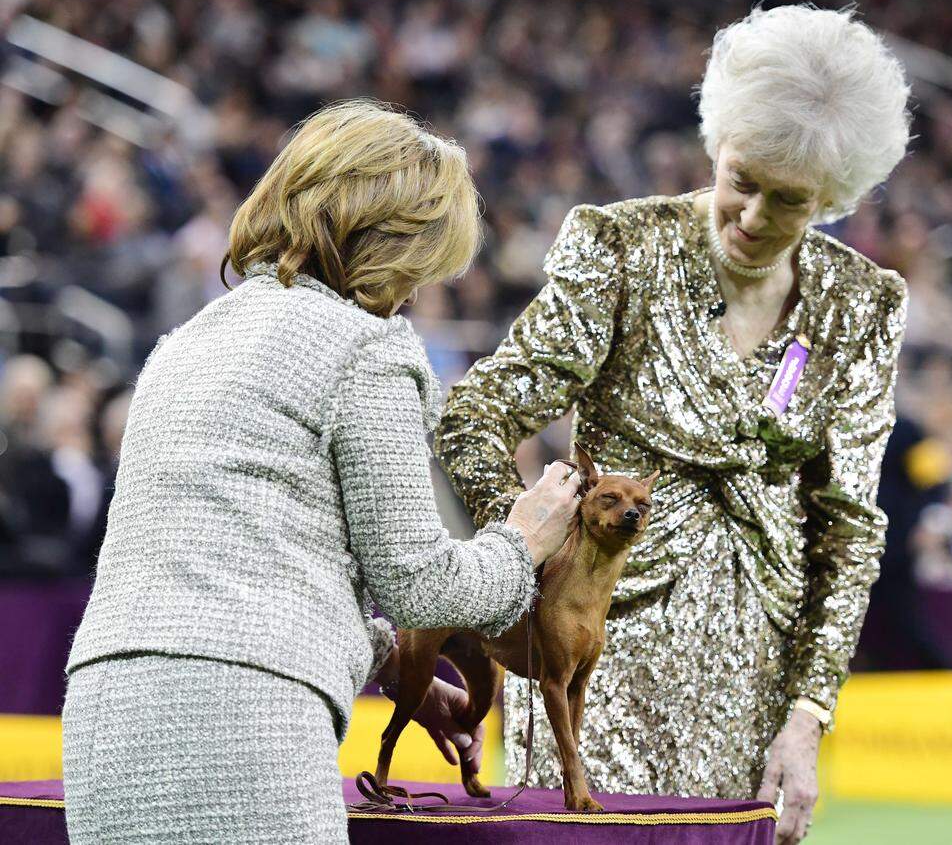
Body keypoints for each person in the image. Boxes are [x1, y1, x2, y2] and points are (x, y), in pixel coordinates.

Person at [435, 6, 911, 845]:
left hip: (754, 681)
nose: (754, 216)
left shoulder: (862, 305)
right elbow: (476, 412)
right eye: (742, 179)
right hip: (589, 658)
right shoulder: (622, 248)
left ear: (837, 197)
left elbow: (849, 529)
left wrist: (806, 717)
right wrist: (518, 560)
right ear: (714, 142)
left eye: (791, 200)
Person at [61, 100, 581, 845]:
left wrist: (387, 662)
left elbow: (226, 565)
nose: (417, 292)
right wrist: (521, 542)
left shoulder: (186, 340)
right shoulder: (366, 348)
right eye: (426, 265)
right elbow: (420, 584)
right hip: (244, 722)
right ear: (398, 240)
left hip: (104, 712)